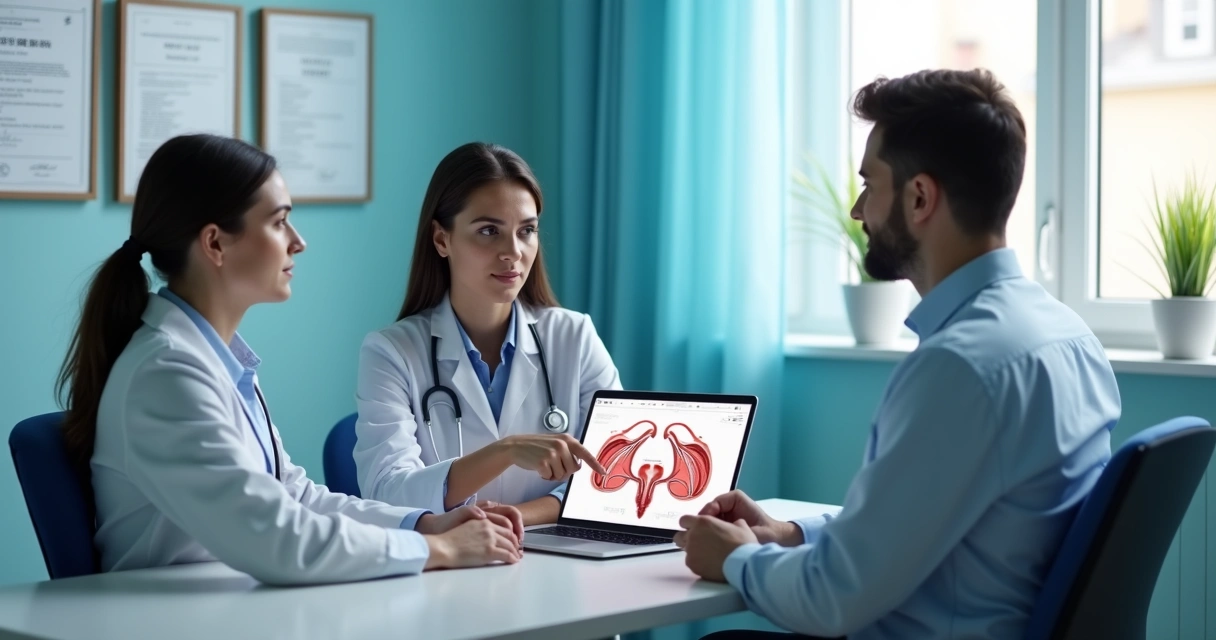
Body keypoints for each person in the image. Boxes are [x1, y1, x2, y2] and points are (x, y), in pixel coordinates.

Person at [675, 69, 1121, 639]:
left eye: (869, 184)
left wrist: (734, 558)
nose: (859, 211)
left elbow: (832, 600)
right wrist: (791, 534)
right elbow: (926, 528)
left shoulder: (960, 367)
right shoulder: (1068, 335)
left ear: (919, 198)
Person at [57, 134, 523, 585]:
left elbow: (295, 497)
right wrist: (438, 552)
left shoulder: (217, 362)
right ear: (215, 244)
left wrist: (421, 525)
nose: (298, 241)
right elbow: (276, 538)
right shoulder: (165, 374)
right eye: (279, 222)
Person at [354, 142, 621, 525]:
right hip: (448, 565)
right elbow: (388, 492)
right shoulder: (391, 352)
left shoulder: (574, 337)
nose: (512, 252)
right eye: (488, 231)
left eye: (526, 230)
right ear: (442, 239)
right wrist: (505, 451)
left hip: (556, 559)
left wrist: (515, 518)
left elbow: (611, 477)